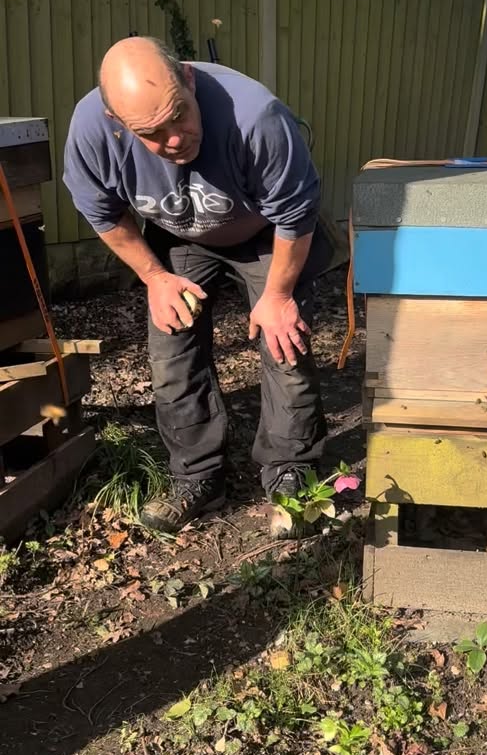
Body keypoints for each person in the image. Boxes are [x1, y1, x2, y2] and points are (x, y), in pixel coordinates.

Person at [63, 36, 334, 533]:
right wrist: (154, 277)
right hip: (178, 239)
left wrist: (276, 297)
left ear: (187, 77)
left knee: (285, 346)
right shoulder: (90, 133)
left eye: (180, 116)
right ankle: (197, 478)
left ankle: (292, 472)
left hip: (266, 237)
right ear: (115, 121)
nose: (173, 140)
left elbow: (297, 214)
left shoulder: (256, 117)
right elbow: (102, 212)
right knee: (173, 354)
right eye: (151, 132)